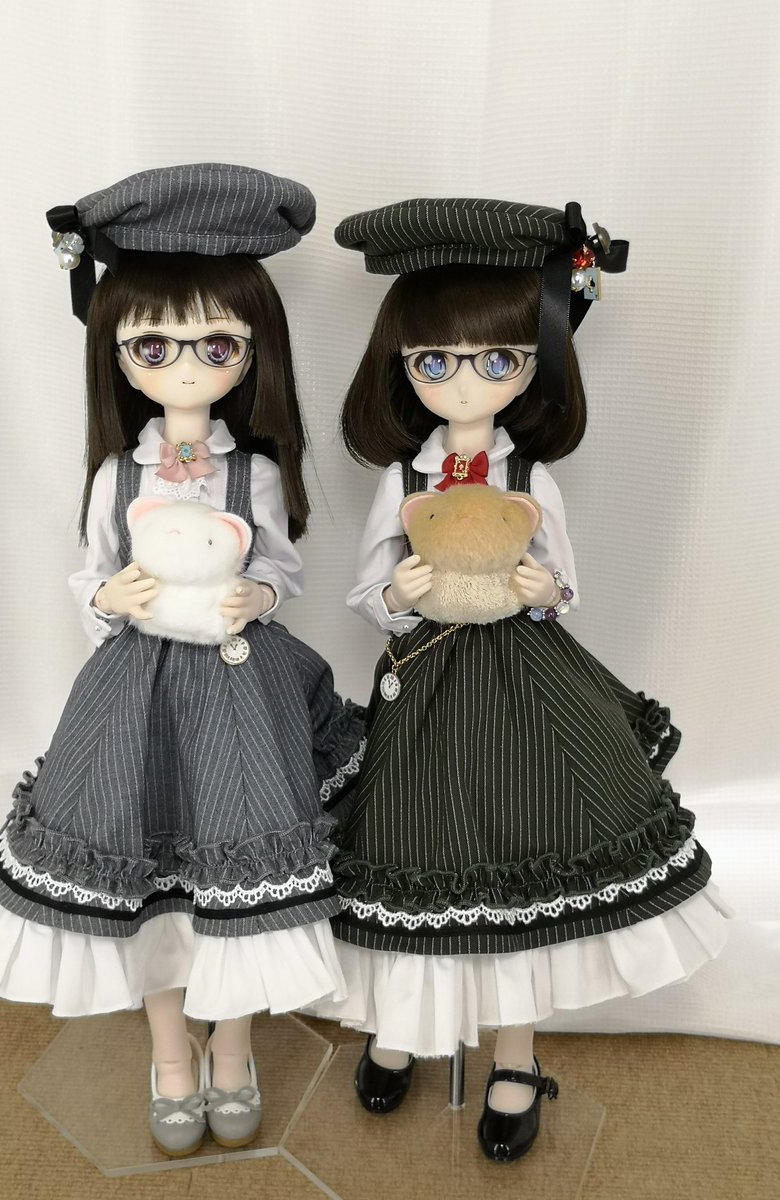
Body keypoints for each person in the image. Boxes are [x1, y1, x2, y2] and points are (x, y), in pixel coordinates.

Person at [314, 197, 729, 1163]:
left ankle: (513, 1052)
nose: (465, 384)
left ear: (534, 364)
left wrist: (545, 590)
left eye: (496, 360)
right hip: (426, 681)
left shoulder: (530, 477)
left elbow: (564, 582)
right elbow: (366, 588)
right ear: (401, 366)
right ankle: (402, 1026)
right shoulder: (404, 480)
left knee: (522, 843)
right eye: (436, 363)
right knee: (413, 847)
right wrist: (399, 593)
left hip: (523, 684)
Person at [0, 164, 363, 1157]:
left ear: (252, 351)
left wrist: (258, 594)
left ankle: (235, 1047)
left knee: (242, 865)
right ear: (118, 355)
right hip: (136, 690)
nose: (185, 368)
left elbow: (280, 564)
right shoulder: (116, 473)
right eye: (154, 346)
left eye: (215, 345)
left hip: (239, 684)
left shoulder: (252, 469)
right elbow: (92, 571)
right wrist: (110, 598)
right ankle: (171, 1053)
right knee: (147, 874)